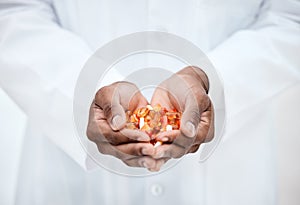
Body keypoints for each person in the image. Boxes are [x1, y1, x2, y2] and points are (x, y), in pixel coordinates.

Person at [0, 0, 299, 204]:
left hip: (230, 179)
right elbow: (14, 12)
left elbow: (290, 17)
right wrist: (86, 91)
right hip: (69, 179)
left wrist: (213, 82)